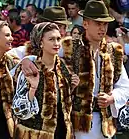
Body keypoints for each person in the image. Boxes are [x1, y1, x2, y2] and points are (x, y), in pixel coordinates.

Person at [61, 0, 129, 138]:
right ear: (85, 24)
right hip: (77, 122)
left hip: (106, 123)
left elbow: (124, 86)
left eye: (105, 24)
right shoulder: (68, 47)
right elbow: (40, 55)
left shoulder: (114, 51)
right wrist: (27, 60)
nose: (102, 28)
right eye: (98, 23)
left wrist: (112, 97)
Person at [12, 22, 79, 139]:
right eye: (51, 39)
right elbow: (18, 110)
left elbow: (64, 104)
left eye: (58, 39)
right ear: (41, 43)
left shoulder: (63, 68)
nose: (57, 43)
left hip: (61, 132)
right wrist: (32, 89)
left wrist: (72, 87)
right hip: (33, 134)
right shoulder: (30, 68)